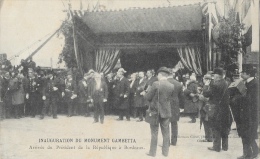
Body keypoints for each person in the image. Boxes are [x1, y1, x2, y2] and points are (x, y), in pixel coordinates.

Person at [145, 67, 174, 157]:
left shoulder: (156, 84)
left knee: (154, 133)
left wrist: (146, 93)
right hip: (166, 112)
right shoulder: (171, 85)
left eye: (158, 75)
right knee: (166, 133)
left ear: (160, 75)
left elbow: (148, 97)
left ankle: (152, 152)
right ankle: (165, 153)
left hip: (155, 112)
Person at [203, 67, 232, 152]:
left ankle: (216, 147)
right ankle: (225, 146)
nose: (213, 77)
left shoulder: (215, 85)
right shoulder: (226, 83)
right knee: (224, 127)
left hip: (216, 109)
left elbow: (206, 94)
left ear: (217, 75)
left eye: (214, 75)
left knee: (215, 127)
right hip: (225, 109)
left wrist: (206, 85)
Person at [237, 65, 259, 159]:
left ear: (248, 74)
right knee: (246, 134)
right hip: (246, 113)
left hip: (251, 114)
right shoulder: (247, 82)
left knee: (247, 134)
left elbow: (252, 100)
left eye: (243, 73)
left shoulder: (254, 84)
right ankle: (252, 152)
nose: (241, 74)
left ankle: (249, 154)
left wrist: (240, 95)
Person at [167, 68, 184, 146]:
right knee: (174, 124)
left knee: (165, 124)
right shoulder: (178, 84)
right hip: (175, 106)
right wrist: (182, 107)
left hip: (165, 105)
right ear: (173, 74)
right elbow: (181, 97)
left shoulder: (162, 83)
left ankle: (166, 142)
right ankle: (174, 142)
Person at [198, 73, 213, 142]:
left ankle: (209, 137)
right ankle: (208, 137)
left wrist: (201, 97)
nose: (203, 80)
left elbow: (207, 97)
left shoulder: (209, 87)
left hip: (207, 107)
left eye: (204, 79)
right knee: (205, 122)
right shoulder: (206, 86)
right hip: (203, 107)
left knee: (208, 122)